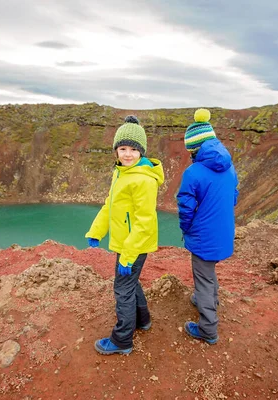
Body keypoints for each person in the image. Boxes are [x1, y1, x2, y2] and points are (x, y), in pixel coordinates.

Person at [85, 115, 164, 355]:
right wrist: (97, 231)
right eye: (122, 148)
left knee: (122, 289)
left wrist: (128, 255)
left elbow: (144, 223)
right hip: (125, 242)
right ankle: (143, 320)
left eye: (133, 149)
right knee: (130, 283)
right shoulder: (121, 172)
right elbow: (111, 204)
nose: (127, 154)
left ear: (142, 151)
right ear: (116, 151)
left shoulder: (142, 180)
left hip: (134, 245)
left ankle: (122, 340)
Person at [177, 108, 238, 345]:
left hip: (203, 236)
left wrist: (187, 229)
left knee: (202, 276)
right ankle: (211, 301)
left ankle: (207, 329)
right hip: (223, 232)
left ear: (195, 148)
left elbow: (185, 209)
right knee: (209, 271)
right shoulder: (229, 166)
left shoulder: (193, 172)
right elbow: (233, 197)